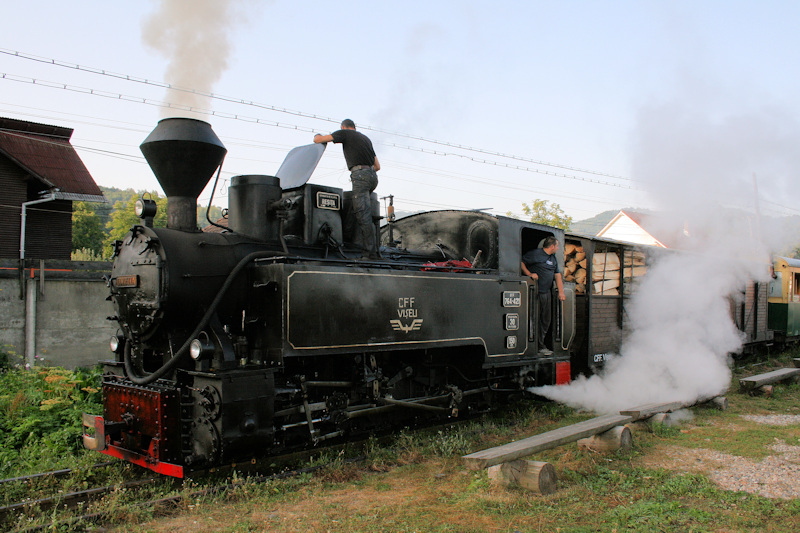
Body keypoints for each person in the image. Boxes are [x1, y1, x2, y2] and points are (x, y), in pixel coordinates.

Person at [314, 119, 381, 259]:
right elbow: (377, 166)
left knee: (363, 215)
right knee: (355, 209)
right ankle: (350, 240)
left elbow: (319, 140)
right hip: (372, 177)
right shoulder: (366, 139)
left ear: (343, 127)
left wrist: (317, 136)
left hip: (360, 176)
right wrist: (367, 172)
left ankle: (370, 254)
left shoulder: (344, 133)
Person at [521, 236, 566, 355]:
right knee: (534, 319)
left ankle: (540, 344)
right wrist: (529, 274)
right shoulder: (535, 254)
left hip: (546, 293)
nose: (558, 248)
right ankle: (535, 346)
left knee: (546, 320)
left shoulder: (553, 258)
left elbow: (557, 275)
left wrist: (561, 292)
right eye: (557, 246)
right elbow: (521, 262)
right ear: (552, 246)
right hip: (534, 293)